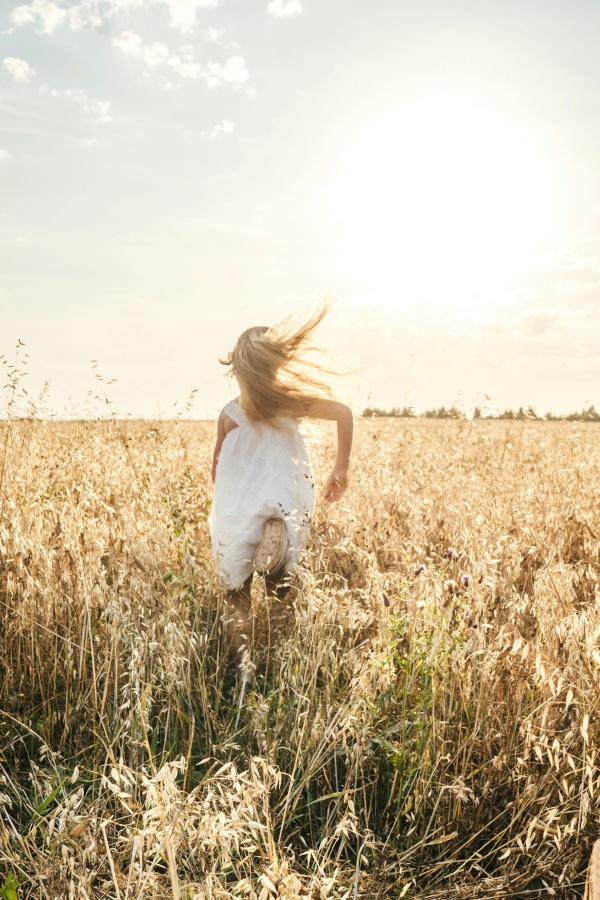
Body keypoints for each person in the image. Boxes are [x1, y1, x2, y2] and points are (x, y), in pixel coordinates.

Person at [209, 305, 353, 668]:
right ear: (276, 366)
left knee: (235, 588)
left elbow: (217, 466)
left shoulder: (230, 414)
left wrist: (226, 499)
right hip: (283, 495)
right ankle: (280, 626)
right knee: (282, 578)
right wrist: (341, 467)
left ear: (237, 370)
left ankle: (242, 663)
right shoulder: (287, 402)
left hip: (238, 505)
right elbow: (343, 412)